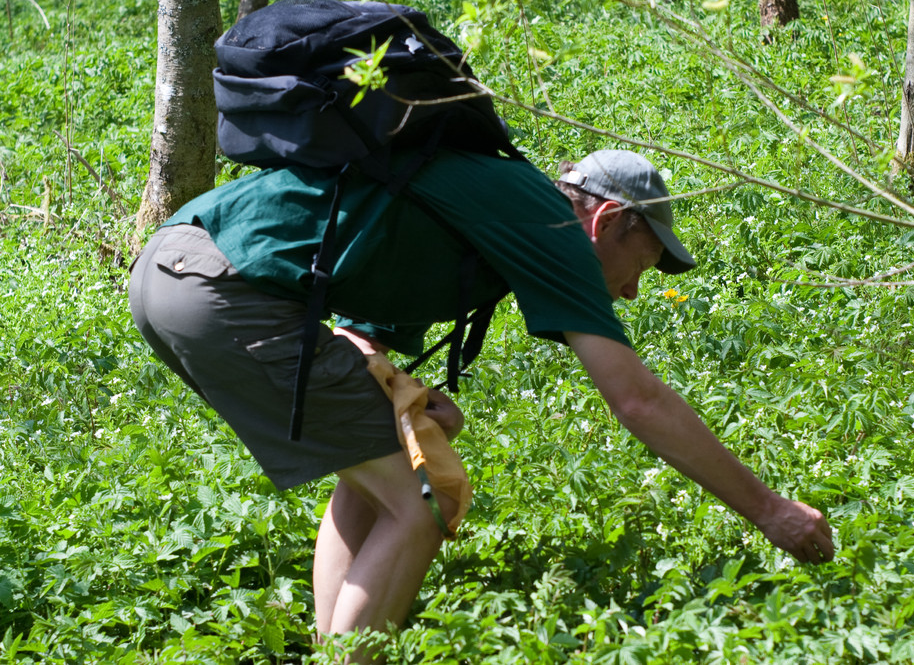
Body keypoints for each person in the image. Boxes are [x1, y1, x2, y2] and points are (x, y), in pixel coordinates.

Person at [128, 147, 834, 650]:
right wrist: (770, 512)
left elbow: (359, 342)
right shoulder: (544, 224)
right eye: (639, 266)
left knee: (381, 464)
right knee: (425, 497)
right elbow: (637, 400)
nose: (629, 290)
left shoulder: (479, 214)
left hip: (171, 271)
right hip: (218, 287)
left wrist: (414, 399)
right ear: (610, 220)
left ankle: (335, 643)